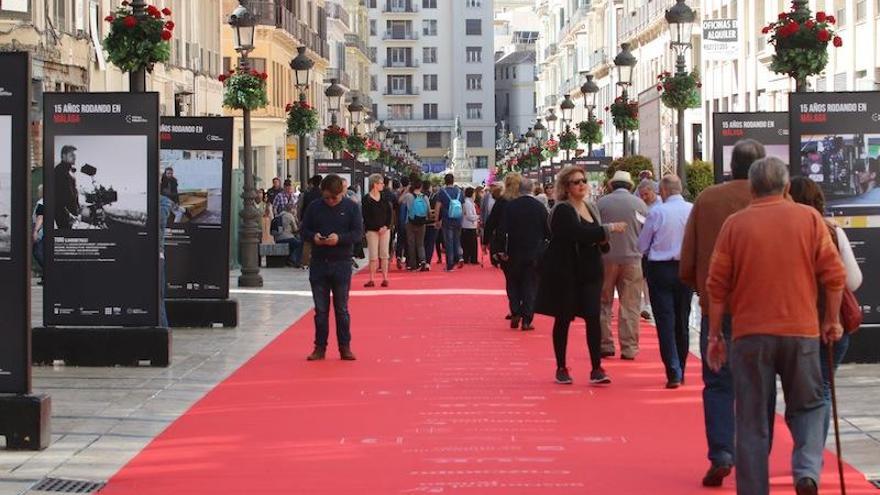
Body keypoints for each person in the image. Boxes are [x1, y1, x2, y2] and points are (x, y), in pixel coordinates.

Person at [706, 157, 846, 495]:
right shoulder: (809, 219)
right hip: (801, 331)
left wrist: (714, 335)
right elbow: (835, 275)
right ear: (786, 187)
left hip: (750, 334)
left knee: (752, 418)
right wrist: (831, 320)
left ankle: (754, 489)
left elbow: (717, 286)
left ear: (752, 188)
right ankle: (807, 471)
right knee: (809, 405)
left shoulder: (735, 225)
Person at [678, 138, 765, 486]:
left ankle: (721, 453)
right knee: (758, 383)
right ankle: (753, 454)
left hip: (717, 304)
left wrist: (697, 285)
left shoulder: (708, 199)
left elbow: (687, 257)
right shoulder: (772, 201)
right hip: (761, 306)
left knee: (717, 382)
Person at [535, 166, 626, 385]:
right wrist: (608, 229)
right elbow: (578, 234)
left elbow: (593, 238)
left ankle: (596, 368)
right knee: (563, 318)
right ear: (566, 187)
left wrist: (603, 240)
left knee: (593, 318)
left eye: (583, 180)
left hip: (591, 272)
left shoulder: (591, 207)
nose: (582, 185)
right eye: (576, 182)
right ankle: (561, 367)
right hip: (567, 272)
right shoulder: (563, 210)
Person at [789, 176, 863, 445]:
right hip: (833, 324)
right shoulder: (833, 232)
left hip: (797, 322)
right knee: (822, 387)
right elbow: (853, 280)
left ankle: (806, 446)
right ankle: (813, 451)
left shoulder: (787, 234)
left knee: (799, 389)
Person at [638, 175, 693, 389]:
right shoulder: (692, 209)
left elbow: (642, 244)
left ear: (664, 191)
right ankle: (682, 365)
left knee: (665, 321)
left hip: (660, 269)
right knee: (682, 319)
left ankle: (673, 370)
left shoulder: (657, 212)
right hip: (685, 268)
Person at [301, 175, 364, 361]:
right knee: (320, 311)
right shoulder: (314, 207)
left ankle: (344, 346)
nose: (329, 201)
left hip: (342, 262)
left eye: (333, 198)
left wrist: (340, 239)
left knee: (341, 309)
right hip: (319, 262)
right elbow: (304, 230)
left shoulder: (351, 208)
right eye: (326, 197)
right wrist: (314, 237)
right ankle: (320, 347)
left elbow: (357, 234)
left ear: (341, 193)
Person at [597, 170, 648, 360]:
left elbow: (595, 230)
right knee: (630, 305)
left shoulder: (601, 204)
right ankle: (628, 347)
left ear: (612, 185)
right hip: (632, 260)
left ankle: (605, 344)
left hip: (606, 259)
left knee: (603, 303)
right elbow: (646, 230)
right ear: (629, 186)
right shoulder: (639, 204)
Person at [502, 178, 549, 331]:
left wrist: (501, 250)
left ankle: (515, 311)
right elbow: (548, 231)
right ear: (532, 189)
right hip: (534, 253)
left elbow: (502, 230)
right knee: (530, 286)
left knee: (513, 282)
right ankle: (527, 319)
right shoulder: (539, 207)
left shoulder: (510, 206)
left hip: (514, 252)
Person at [485, 174, 520, 321]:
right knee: (525, 279)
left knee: (511, 279)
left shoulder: (502, 201)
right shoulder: (523, 201)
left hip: (505, 245)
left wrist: (485, 240)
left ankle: (515, 309)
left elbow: (491, 222)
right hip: (523, 245)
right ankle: (525, 311)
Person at [362, 173, 393, 287]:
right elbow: (366, 216)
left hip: (385, 230)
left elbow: (389, 213)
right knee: (373, 255)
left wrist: (385, 226)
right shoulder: (366, 199)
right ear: (375, 184)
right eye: (381, 183)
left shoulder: (384, 197)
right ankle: (372, 279)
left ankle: (385, 278)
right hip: (372, 230)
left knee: (385, 254)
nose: (383, 185)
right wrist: (377, 228)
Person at [636, 178, 660, 320]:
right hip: (645, 249)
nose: (644, 197)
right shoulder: (640, 205)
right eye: (641, 195)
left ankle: (650, 304)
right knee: (644, 278)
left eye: (646, 194)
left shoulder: (661, 205)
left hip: (657, 248)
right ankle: (647, 305)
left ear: (652, 191)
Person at [437, 173, 464, 271]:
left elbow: (438, 206)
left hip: (447, 219)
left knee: (449, 242)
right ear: (453, 180)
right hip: (458, 219)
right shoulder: (460, 192)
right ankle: (460, 256)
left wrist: (437, 219)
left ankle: (450, 264)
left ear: (445, 181)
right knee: (457, 240)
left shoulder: (442, 192)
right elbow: (463, 207)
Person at [402, 178, 430, 271]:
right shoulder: (425, 197)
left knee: (411, 244)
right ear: (421, 186)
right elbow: (428, 211)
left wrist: (406, 190)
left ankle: (413, 265)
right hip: (422, 223)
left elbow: (400, 201)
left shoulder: (408, 196)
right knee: (420, 244)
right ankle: (422, 261)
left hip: (410, 222)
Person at [298, 175, 323, 267]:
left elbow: (301, 207)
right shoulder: (323, 194)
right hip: (320, 219)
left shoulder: (307, 194)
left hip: (308, 218)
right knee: (320, 239)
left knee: (307, 242)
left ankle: (305, 262)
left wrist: (300, 219)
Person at [54, 145, 80, 229]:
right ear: (63, 156)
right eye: (71, 155)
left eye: (75, 155)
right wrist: (68, 214)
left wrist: (77, 210)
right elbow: (57, 197)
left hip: (72, 215)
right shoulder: (59, 171)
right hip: (64, 215)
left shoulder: (69, 171)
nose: (74, 157)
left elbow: (72, 193)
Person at [275, 203, 303, 268]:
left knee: (293, 244)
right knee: (299, 244)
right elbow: (295, 229)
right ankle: (296, 261)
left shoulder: (279, 215)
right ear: (292, 209)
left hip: (278, 238)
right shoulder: (290, 216)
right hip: (287, 237)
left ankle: (289, 260)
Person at [461, 187, 480, 264]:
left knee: (468, 244)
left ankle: (469, 258)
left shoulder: (469, 202)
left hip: (469, 226)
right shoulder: (468, 203)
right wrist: (478, 217)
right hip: (468, 226)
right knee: (471, 244)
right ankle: (472, 259)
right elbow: (469, 216)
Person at [32, 185, 45, 283]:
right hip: (44, 230)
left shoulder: (41, 203)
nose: (38, 192)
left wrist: (36, 231)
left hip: (41, 230)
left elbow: (40, 217)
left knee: (37, 252)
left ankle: (49, 272)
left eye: (38, 190)